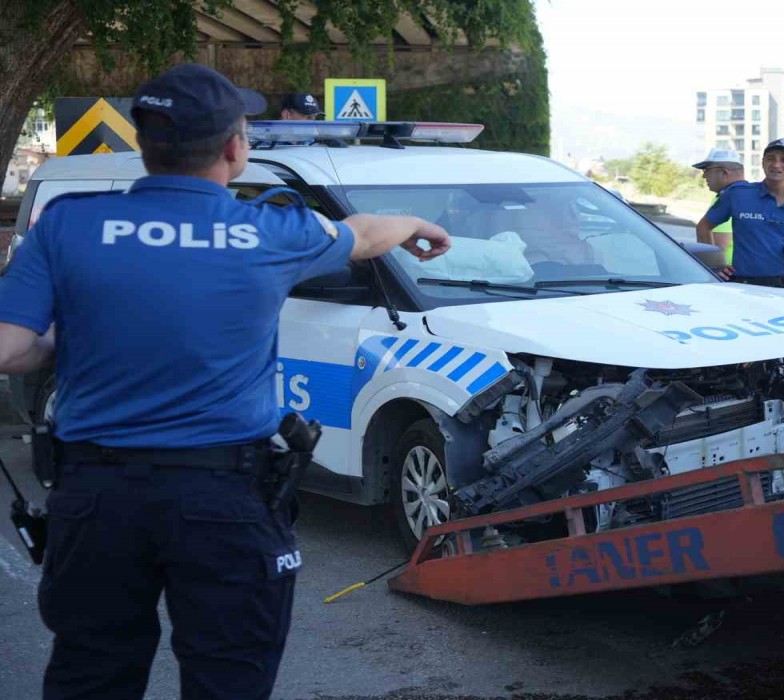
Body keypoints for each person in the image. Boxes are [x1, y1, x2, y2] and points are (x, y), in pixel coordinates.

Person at [0, 63, 450, 700]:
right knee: (229, 676)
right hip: (221, 498)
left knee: (90, 671)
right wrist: (417, 225)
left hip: (96, 496)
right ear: (236, 148)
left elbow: (11, 347)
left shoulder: (70, 224)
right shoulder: (267, 229)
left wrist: (79, 334)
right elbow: (362, 235)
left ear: (144, 143)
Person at [695, 137, 784, 291]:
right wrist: (712, 267)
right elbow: (704, 227)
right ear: (763, 162)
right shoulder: (737, 195)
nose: (776, 164)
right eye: (770, 159)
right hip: (745, 286)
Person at [691, 148, 745, 265]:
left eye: (707, 170)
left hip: (728, 277)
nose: (704, 176)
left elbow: (719, 245)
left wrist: (712, 269)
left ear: (724, 173)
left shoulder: (728, 198)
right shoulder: (751, 194)